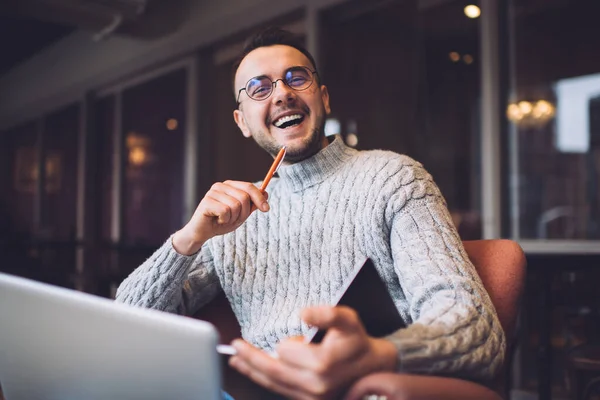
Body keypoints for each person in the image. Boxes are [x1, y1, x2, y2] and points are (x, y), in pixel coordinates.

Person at [115, 27, 505, 399]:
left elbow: (477, 328)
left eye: (295, 78)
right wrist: (189, 239)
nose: (282, 93)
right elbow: (125, 325)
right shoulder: (232, 220)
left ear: (324, 98)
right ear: (243, 122)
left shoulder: (394, 177)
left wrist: (376, 355)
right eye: (259, 88)